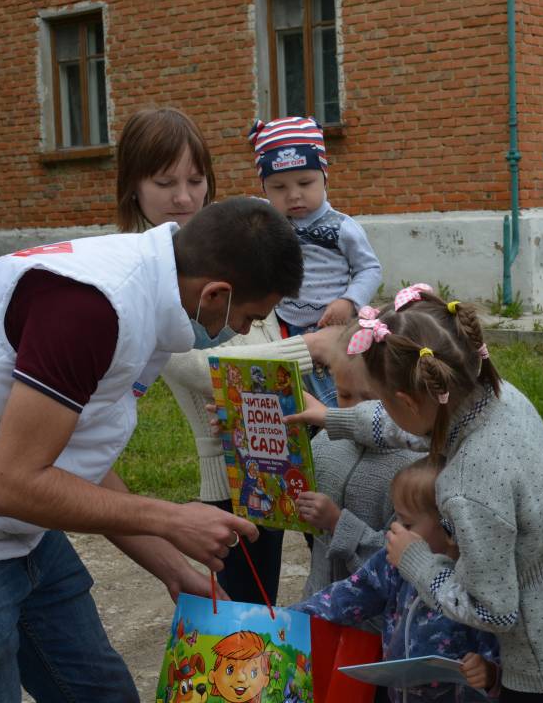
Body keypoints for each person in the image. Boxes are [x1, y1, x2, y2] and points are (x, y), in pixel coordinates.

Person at [0, 196, 303, 702]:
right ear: (216, 294)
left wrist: (174, 569)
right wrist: (170, 518)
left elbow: (77, 458)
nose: (245, 331)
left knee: (99, 691)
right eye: (250, 317)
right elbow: (13, 486)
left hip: (2, 511)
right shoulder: (92, 306)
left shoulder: (152, 296)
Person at [291, 286, 543, 702]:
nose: (381, 409)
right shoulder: (499, 398)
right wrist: (333, 417)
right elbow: (408, 426)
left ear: (407, 400)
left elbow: (492, 610)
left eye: (380, 400)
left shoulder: (467, 482)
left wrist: (417, 563)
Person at [114, 107, 341, 605]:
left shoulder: (233, 239)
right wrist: (312, 349)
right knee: (248, 604)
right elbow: (195, 364)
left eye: (196, 180)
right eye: (165, 181)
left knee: (337, 575)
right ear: (133, 186)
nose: (184, 196)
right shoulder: (142, 271)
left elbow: (262, 328)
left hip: (295, 438)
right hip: (232, 468)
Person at [292, 458, 502, 702]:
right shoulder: (392, 563)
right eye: (396, 518)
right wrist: (287, 618)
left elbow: (500, 651)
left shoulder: (477, 581)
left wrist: (490, 673)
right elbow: (345, 597)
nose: (395, 529)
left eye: (407, 523)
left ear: (451, 528)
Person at [249, 115, 383, 406]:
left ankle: (340, 435)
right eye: (279, 188)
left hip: (332, 329)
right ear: (264, 188)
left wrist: (350, 301)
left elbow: (369, 268)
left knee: (337, 394)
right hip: (281, 328)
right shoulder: (269, 223)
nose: (294, 195)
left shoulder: (341, 227)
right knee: (290, 394)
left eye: (305, 182)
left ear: (324, 176)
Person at [296, 351, 424, 597]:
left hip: (375, 622)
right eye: (343, 395)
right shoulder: (323, 442)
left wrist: (337, 523)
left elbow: (406, 561)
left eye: (369, 399)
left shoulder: (415, 468)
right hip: (320, 600)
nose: (355, 409)